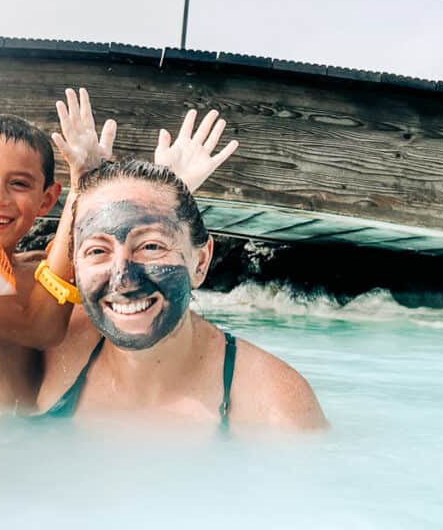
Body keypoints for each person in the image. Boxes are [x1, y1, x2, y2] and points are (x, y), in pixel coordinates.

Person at [0, 89, 238, 414]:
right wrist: (82, 183)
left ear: (47, 199)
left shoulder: (37, 269)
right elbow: (42, 327)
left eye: (18, 183)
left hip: (26, 448)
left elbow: (119, 280)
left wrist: (168, 194)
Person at [37, 158, 328, 431]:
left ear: (200, 263)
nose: (123, 280)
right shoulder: (48, 356)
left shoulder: (272, 405)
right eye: (97, 251)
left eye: (151, 247)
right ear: (74, 266)